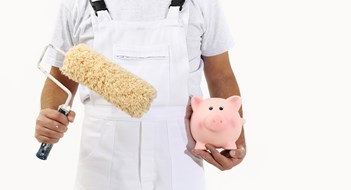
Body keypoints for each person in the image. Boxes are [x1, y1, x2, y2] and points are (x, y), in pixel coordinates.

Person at [35, 0, 246, 189]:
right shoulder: (77, 5)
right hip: (101, 160)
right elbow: (61, 77)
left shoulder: (201, 4)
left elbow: (221, 76)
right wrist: (49, 116)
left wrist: (236, 142)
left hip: (180, 157)